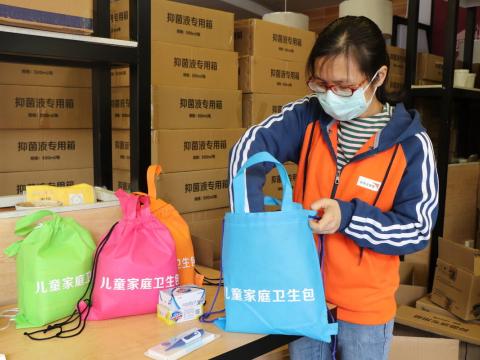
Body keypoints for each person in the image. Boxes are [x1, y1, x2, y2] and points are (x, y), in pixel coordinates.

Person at [228, 16, 439, 360]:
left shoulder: (412, 146)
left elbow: (416, 230)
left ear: (378, 77)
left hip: (365, 315)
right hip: (304, 300)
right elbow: (247, 152)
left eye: (343, 87)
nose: (330, 96)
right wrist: (255, 231)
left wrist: (348, 217)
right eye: (320, 83)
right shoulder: (307, 119)